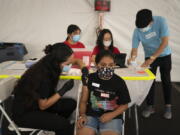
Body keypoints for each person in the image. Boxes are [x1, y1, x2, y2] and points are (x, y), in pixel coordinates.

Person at [12, 43, 77, 135]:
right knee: (64, 124)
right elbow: (43, 105)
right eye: (68, 64)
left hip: (35, 104)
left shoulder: (48, 64)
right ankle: (60, 126)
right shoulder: (44, 76)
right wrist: (63, 90)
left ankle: (55, 127)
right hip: (25, 113)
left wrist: (81, 65)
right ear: (57, 62)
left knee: (70, 104)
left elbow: (74, 60)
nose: (69, 65)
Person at [128, 9, 172, 119]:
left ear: (151, 22)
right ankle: (150, 106)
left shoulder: (161, 21)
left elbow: (165, 42)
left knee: (166, 80)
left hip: (164, 54)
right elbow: (134, 48)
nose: (142, 30)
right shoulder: (137, 30)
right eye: (140, 28)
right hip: (149, 56)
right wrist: (132, 58)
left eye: (144, 27)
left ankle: (168, 106)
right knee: (149, 81)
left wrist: (152, 58)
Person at [77, 50, 131, 135]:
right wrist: (82, 115)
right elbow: (83, 101)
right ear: (96, 65)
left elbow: (124, 105)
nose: (107, 68)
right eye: (103, 65)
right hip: (91, 115)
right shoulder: (90, 79)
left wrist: (111, 115)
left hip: (113, 117)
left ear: (114, 65)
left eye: (111, 65)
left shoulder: (119, 82)